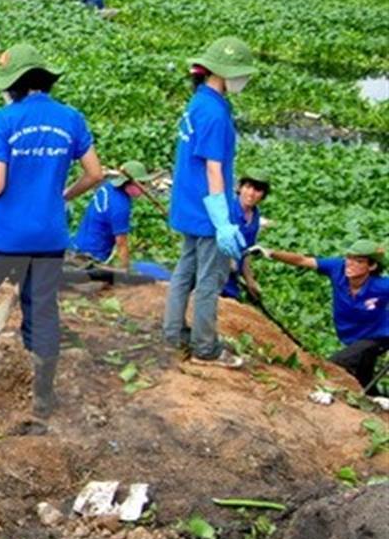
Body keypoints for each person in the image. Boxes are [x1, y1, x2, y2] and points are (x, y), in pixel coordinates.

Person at [0, 43, 101, 416]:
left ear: (14, 86)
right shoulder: (71, 118)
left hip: (2, 235)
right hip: (49, 235)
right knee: (42, 310)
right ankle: (42, 398)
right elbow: (95, 173)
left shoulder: (2, 121)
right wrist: (63, 196)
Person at [162, 36, 257, 369]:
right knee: (209, 280)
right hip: (206, 209)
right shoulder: (215, 113)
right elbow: (214, 169)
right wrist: (222, 220)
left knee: (184, 271)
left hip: (187, 204)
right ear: (222, 73)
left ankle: (173, 333)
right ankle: (205, 347)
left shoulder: (198, 103)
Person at [252, 240, 387, 389]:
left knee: (337, 364)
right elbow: (302, 260)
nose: (350, 264)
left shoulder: (381, 286)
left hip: (380, 335)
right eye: (349, 258)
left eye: (359, 261)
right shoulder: (337, 268)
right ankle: (373, 400)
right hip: (352, 336)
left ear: (372, 266)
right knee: (363, 378)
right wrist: (270, 252)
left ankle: (320, 391)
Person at [69, 161, 155, 269]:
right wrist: (125, 271)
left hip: (78, 244)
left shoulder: (108, 187)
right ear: (128, 182)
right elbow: (121, 245)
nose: (144, 188)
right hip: (93, 255)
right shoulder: (120, 207)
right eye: (141, 184)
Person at [221, 171, 269, 300]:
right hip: (215, 271)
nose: (251, 194)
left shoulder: (255, 216)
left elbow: (247, 251)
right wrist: (228, 260)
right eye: (248, 187)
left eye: (257, 190)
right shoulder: (227, 210)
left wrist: (250, 280)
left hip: (232, 276)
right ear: (240, 188)